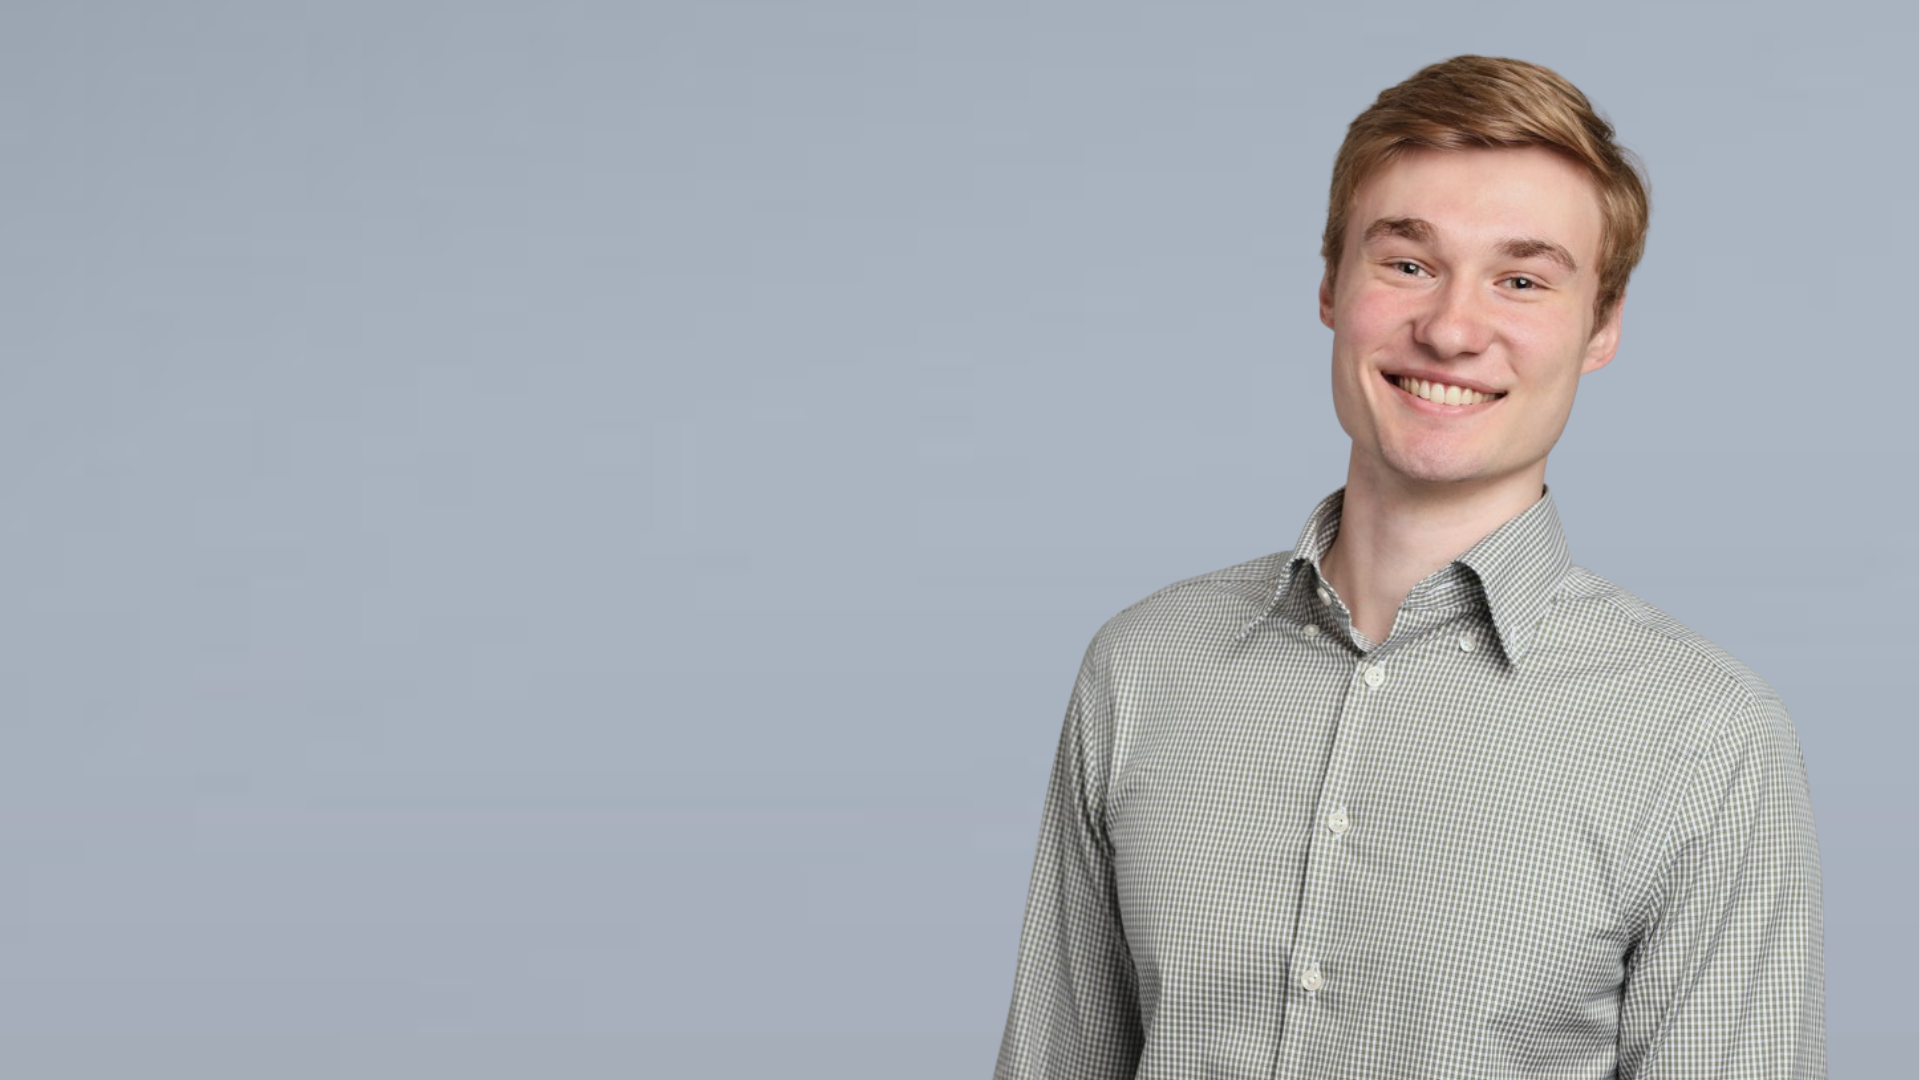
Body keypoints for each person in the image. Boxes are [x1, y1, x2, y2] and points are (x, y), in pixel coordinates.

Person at [993, 56, 1824, 1079]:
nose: (1452, 329)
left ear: (1600, 330)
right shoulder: (1142, 667)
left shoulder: (1705, 736)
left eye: (1521, 280)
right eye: (1408, 263)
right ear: (1331, 286)